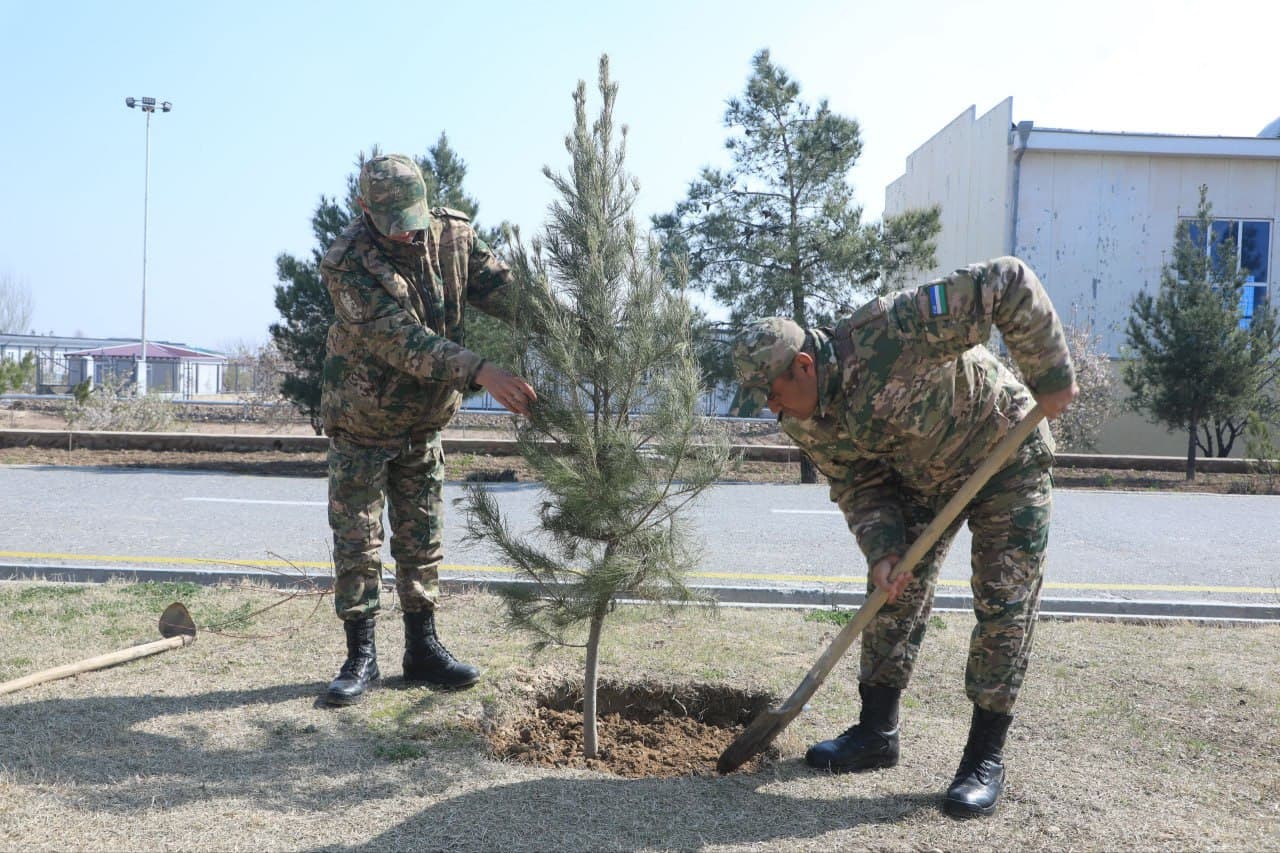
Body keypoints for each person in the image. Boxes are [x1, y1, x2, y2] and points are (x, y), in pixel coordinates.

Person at [733, 256, 1077, 817]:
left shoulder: (892, 332)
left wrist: (1052, 374)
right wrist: (883, 549)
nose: (770, 409)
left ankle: (983, 757)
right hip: (922, 477)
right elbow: (857, 481)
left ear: (802, 366)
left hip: (1005, 453)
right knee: (891, 596)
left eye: (770, 392)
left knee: (1003, 604)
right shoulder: (802, 417)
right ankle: (876, 732)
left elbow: (1007, 282)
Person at [319, 154, 536, 706]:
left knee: (421, 538)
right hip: (362, 421)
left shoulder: (453, 237)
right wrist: (482, 371)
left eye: (413, 218)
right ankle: (360, 657)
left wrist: (572, 326)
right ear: (363, 207)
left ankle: (422, 648)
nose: (408, 233)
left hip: (424, 421)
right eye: (392, 221)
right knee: (358, 543)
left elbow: (512, 295)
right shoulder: (347, 262)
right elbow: (401, 340)